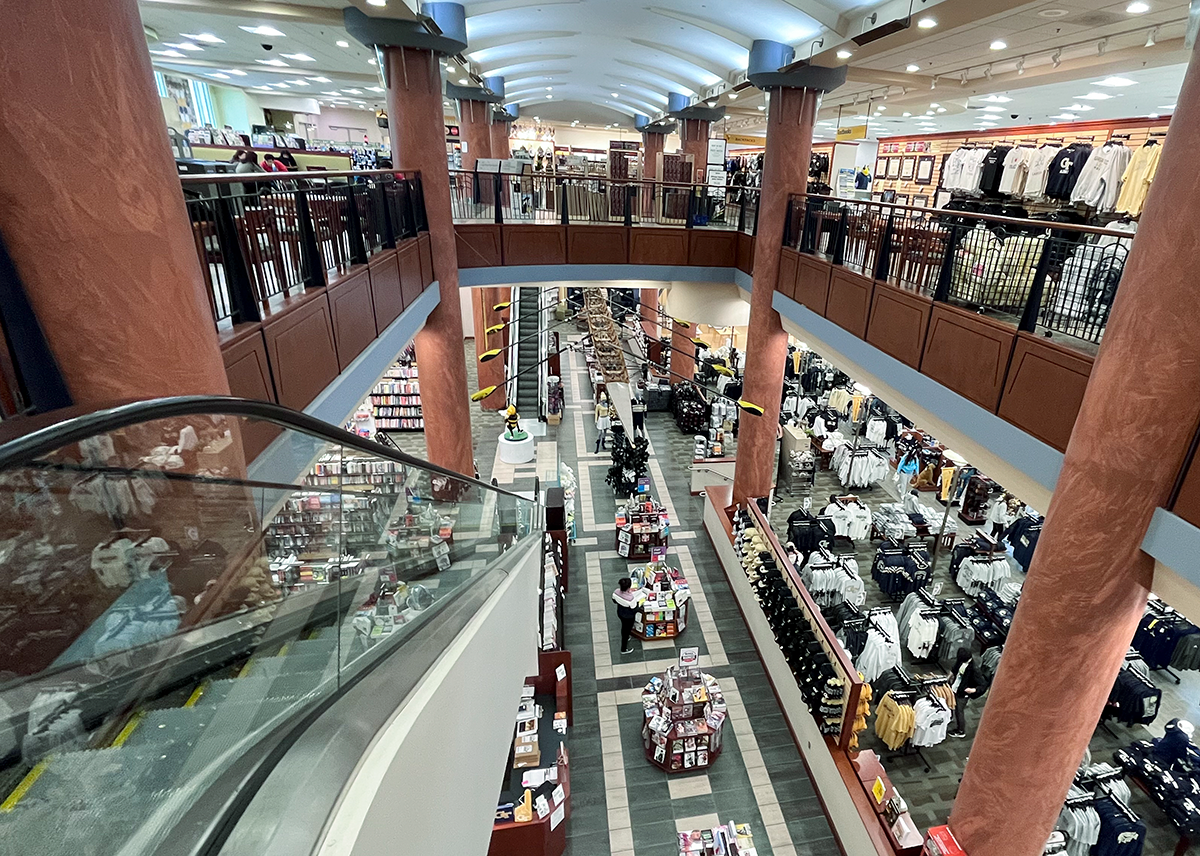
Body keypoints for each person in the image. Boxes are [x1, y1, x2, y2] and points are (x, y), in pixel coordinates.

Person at [948, 646, 985, 738]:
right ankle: (950, 717)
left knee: (959, 710)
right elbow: (956, 667)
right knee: (951, 703)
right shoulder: (961, 661)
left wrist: (973, 690)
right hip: (956, 686)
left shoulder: (974, 669)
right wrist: (950, 675)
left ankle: (961, 730)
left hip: (963, 693)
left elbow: (983, 685)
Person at [611, 576, 643, 654]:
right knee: (626, 629)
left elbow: (614, 601)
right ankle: (624, 649)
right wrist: (640, 603)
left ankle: (627, 636)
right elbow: (634, 608)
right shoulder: (631, 598)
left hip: (620, 613)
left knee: (624, 626)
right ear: (628, 587)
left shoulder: (616, 592)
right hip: (628, 617)